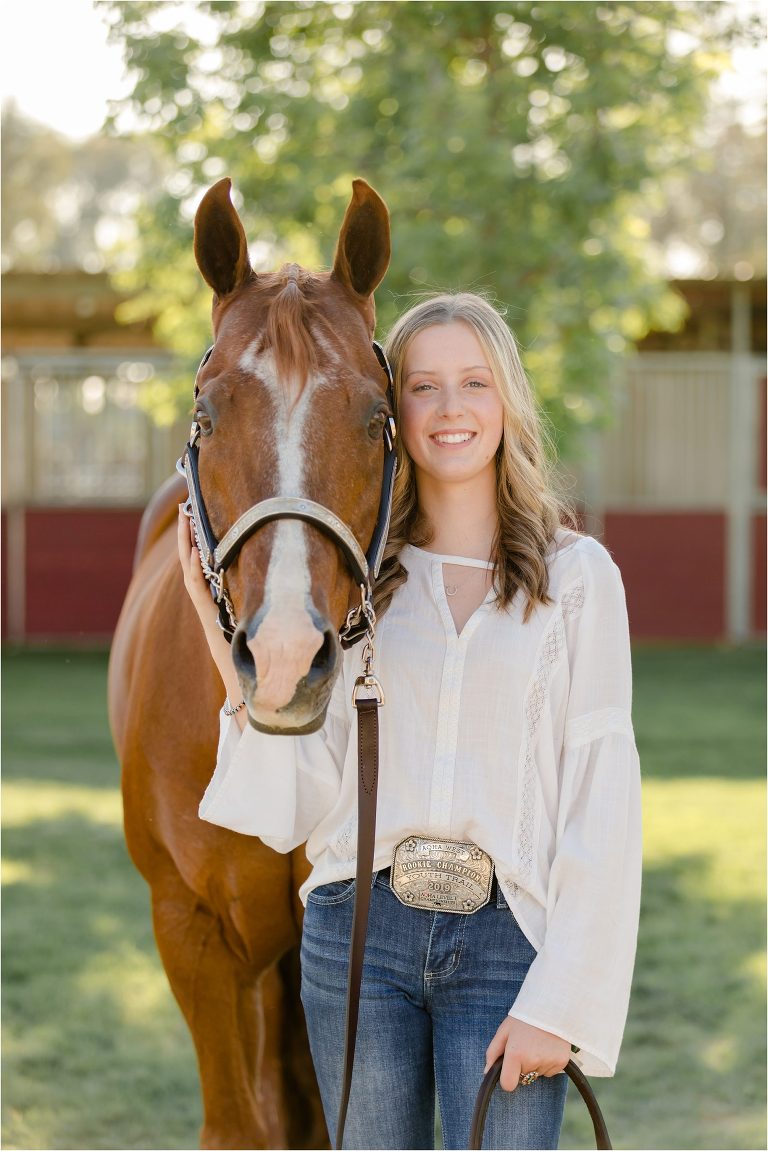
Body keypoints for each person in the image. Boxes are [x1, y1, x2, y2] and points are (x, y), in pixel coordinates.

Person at [178, 292, 642, 1151]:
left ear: (508, 398)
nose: (452, 407)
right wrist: (225, 648)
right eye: (424, 387)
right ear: (393, 413)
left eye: (474, 381)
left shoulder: (579, 580)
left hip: (509, 944)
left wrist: (563, 1002)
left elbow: (603, 804)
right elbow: (298, 801)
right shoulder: (358, 585)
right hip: (361, 940)